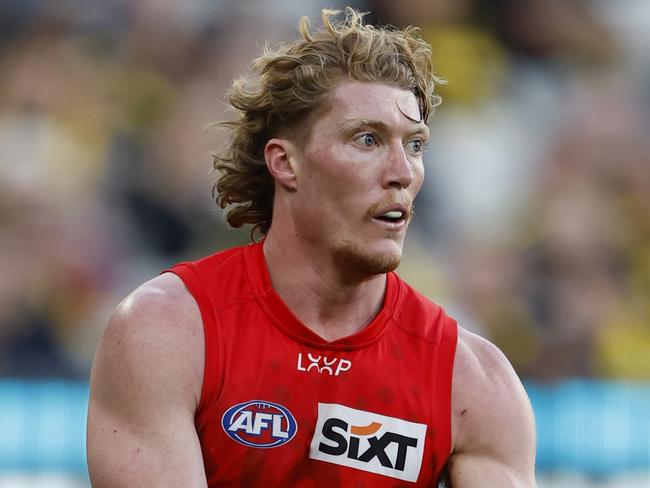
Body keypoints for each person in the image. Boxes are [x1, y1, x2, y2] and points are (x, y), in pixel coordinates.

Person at [87, 8, 536, 487]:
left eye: (416, 145)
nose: (403, 172)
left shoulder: (472, 381)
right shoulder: (166, 333)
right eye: (368, 139)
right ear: (285, 163)